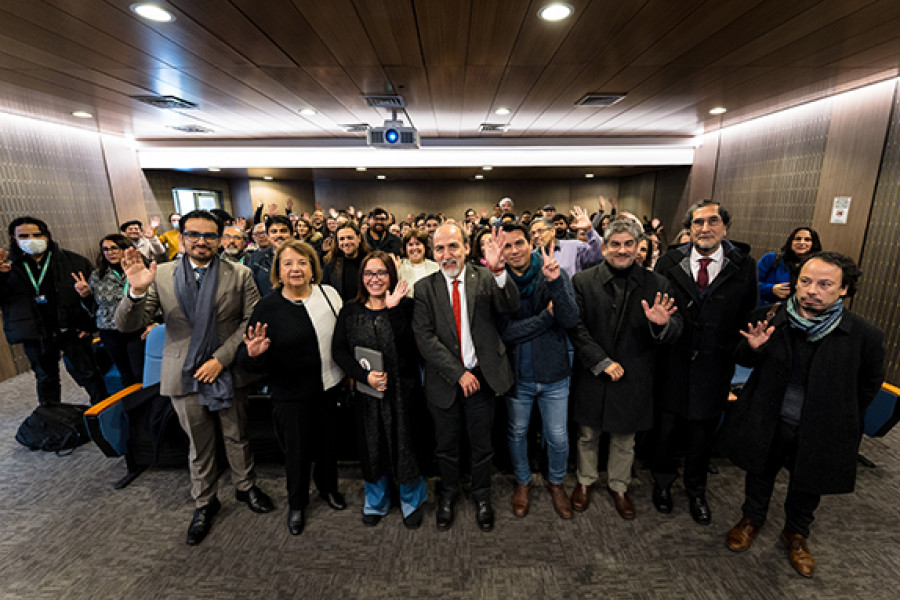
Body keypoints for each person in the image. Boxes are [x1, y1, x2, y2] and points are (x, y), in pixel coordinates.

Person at [719, 252, 884, 578]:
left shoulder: (865, 336)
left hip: (822, 423)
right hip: (770, 417)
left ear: (844, 290)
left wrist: (839, 413)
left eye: (825, 284)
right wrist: (752, 347)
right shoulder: (769, 317)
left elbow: (867, 386)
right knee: (760, 472)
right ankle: (751, 519)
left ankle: (796, 534)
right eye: (805, 281)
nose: (812, 290)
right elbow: (741, 361)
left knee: (810, 483)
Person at [115, 209, 274, 546]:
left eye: (210, 235)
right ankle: (205, 501)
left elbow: (250, 320)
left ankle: (246, 487)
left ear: (220, 239)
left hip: (227, 368)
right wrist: (136, 292)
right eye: (194, 235)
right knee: (199, 443)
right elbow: (127, 325)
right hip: (183, 371)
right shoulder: (160, 275)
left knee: (237, 434)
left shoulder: (240, 273)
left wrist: (220, 359)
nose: (202, 241)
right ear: (182, 236)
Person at [650, 200, 758, 525]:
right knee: (665, 433)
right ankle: (663, 484)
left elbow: (746, 317)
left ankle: (696, 491)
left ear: (725, 227)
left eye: (713, 222)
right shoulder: (669, 262)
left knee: (701, 436)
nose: (705, 228)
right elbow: (659, 311)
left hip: (715, 365)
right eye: (698, 223)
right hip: (672, 364)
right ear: (690, 228)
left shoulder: (743, 265)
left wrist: (744, 349)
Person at [567, 218, 682, 519]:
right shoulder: (583, 281)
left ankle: (619, 485)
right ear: (604, 247)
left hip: (635, 373)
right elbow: (575, 328)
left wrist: (662, 325)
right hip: (593, 370)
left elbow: (677, 329)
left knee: (624, 438)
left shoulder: (658, 284)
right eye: (615, 244)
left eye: (628, 244)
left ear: (638, 248)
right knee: (587, 434)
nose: (621, 250)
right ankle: (585, 481)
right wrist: (601, 361)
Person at [413, 224, 520, 532]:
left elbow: (511, 306)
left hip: (483, 380)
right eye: (440, 249)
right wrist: (458, 373)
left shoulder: (485, 277)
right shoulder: (424, 288)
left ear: (465, 248)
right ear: (434, 253)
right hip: (445, 382)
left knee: (482, 444)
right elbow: (425, 338)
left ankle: (482, 496)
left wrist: (500, 270)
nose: (447, 254)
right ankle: (447, 494)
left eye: (453, 247)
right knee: (446, 446)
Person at [238, 240, 347, 535]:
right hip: (291, 396)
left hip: (330, 387)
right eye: (288, 263)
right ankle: (297, 504)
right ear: (278, 271)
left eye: (302, 262)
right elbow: (248, 362)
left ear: (313, 268)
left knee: (328, 446)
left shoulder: (330, 295)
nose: (295, 269)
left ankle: (328, 489)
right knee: (297, 453)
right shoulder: (268, 307)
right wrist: (254, 354)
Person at [331, 252, 428, 529]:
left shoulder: (406, 307)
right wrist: (363, 375)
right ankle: (376, 500)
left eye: (382, 273)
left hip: (403, 391)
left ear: (392, 276)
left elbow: (412, 349)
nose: (375, 279)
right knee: (372, 447)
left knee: (406, 444)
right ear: (362, 278)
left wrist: (393, 309)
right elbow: (339, 350)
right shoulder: (350, 310)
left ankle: (412, 499)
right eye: (369, 273)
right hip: (367, 393)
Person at [497, 224, 578, 520]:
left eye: (519, 243)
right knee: (517, 433)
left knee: (557, 437)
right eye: (507, 246)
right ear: (500, 252)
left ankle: (556, 483)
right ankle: (523, 481)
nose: (515, 250)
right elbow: (505, 332)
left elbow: (569, 319)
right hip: (518, 376)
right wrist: (545, 317)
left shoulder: (552, 270)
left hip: (554, 374)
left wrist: (555, 282)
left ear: (529, 243)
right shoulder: (499, 282)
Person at [0, 216, 108, 406]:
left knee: (90, 374)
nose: (31, 239)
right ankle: (51, 421)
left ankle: (104, 417)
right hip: (36, 334)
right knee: (46, 378)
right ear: (13, 239)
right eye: (23, 236)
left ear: (47, 236)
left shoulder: (73, 261)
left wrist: (88, 325)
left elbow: (95, 298)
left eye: (37, 234)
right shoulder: (7, 267)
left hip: (72, 329)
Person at [76, 234, 148, 386]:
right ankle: (133, 405)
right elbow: (92, 307)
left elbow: (153, 299)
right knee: (125, 372)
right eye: (106, 249)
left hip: (137, 328)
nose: (110, 252)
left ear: (125, 249)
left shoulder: (142, 269)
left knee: (139, 371)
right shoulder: (97, 275)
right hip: (109, 329)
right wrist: (86, 295)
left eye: (114, 248)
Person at [530, 207, 603, 277]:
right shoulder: (531, 256)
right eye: (533, 233)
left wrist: (589, 231)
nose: (536, 236)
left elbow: (598, 256)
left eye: (540, 231)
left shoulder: (574, 247)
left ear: (552, 231)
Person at [758, 227, 822, 306]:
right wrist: (771, 289)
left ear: (814, 244)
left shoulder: (818, 266)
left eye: (807, 239)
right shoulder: (771, 258)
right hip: (767, 310)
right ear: (791, 242)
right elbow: (750, 284)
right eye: (797, 239)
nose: (801, 242)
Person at [246, 215, 293, 297]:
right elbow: (251, 290)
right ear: (268, 236)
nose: (279, 235)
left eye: (283, 231)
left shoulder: (304, 256)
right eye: (274, 231)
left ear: (292, 234)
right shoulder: (256, 259)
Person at [323, 222, 370, 302]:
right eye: (342, 239)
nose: (346, 242)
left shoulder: (370, 261)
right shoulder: (331, 264)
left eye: (350, 238)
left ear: (359, 238)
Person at [395, 228, 439, 297]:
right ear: (405, 248)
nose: (414, 248)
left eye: (418, 244)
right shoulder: (399, 267)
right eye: (410, 244)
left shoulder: (436, 267)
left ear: (425, 247)